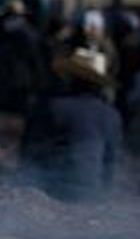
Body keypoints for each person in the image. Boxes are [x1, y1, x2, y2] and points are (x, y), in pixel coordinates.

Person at [21, 46, 123, 200]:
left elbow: (29, 152)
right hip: (92, 193)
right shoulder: (112, 115)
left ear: (72, 79)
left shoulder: (52, 106)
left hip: (55, 191)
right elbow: (109, 164)